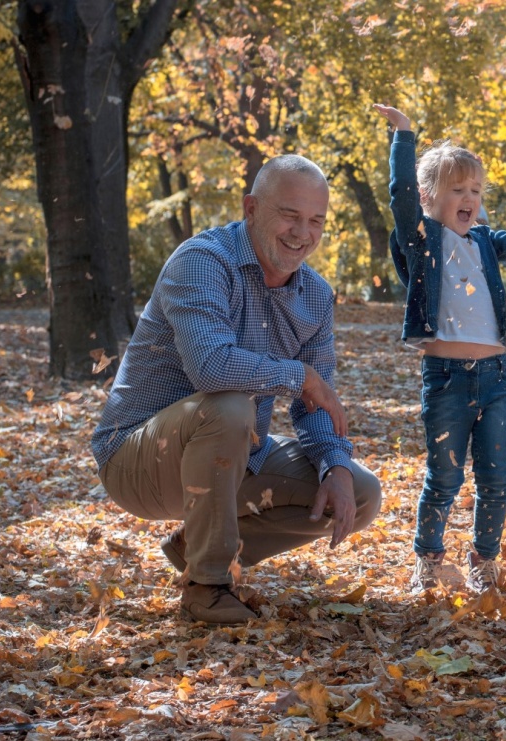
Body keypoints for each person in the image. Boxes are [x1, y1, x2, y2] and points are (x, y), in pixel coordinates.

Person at [91, 155, 382, 625]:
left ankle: (195, 546)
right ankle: (206, 587)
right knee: (229, 407)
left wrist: (334, 463)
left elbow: (315, 404)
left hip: (233, 454)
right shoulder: (202, 261)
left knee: (360, 491)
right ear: (251, 208)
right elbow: (211, 368)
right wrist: (301, 375)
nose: (302, 233)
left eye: (315, 221)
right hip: (137, 459)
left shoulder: (315, 295)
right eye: (289, 215)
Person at [372, 103, 506, 594]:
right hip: (446, 379)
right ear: (430, 197)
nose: (469, 198)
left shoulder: (486, 242)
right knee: (445, 479)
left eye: (475, 190)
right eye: (457, 189)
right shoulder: (422, 238)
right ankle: (428, 561)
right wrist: (404, 134)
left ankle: (484, 560)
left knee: (496, 479)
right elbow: (400, 195)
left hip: (495, 378)